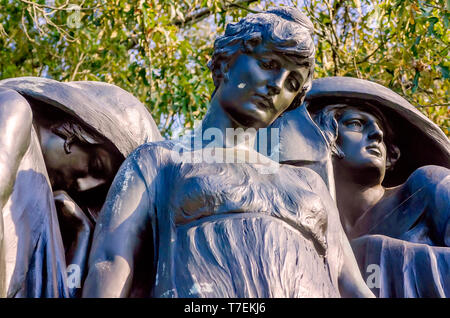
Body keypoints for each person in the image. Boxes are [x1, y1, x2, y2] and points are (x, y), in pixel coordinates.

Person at [83, 8, 374, 298]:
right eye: (269, 63)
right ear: (224, 63)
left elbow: (350, 283)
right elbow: (111, 261)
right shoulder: (157, 161)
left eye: (292, 84)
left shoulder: (309, 183)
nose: (277, 85)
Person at [0, 77, 162, 297]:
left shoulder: (47, 208)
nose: (83, 186)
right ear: (76, 130)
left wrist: (82, 237)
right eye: (95, 166)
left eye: (96, 190)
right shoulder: (12, 109)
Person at [308, 76, 450, 297]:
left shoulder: (428, 183)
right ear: (324, 139)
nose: (377, 135)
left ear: (391, 158)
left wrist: (376, 253)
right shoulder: (310, 223)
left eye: (382, 136)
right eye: (356, 123)